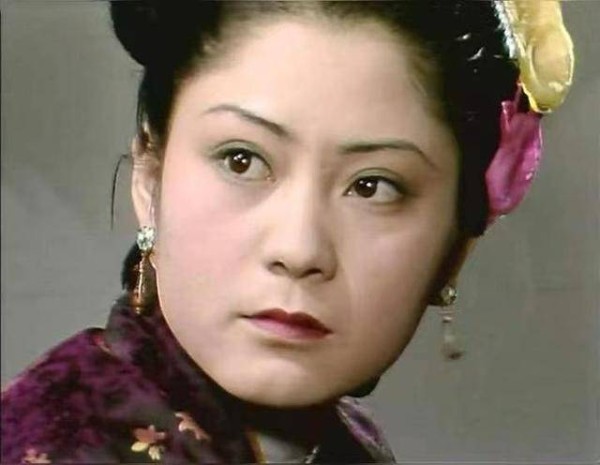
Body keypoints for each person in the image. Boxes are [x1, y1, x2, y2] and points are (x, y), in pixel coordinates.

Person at [1, 1, 574, 463]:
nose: (298, 250)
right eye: (242, 160)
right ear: (150, 176)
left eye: (372, 186)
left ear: (457, 246)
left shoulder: (346, 444)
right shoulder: (55, 441)